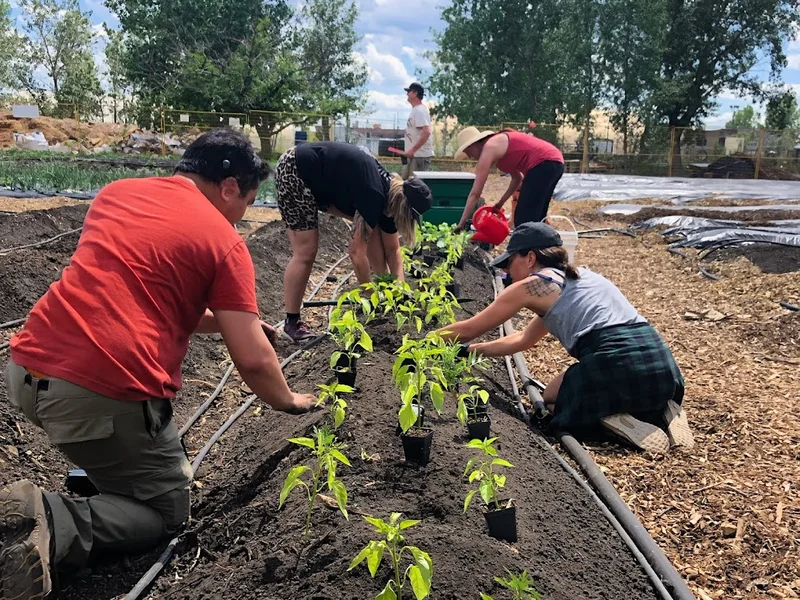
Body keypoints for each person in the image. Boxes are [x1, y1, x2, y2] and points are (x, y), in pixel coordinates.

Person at [1, 129, 317, 599]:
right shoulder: (223, 241)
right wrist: (289, 400)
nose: (242, 217)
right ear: (230, 187)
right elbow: (252, 361)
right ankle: (49, 516)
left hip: (27, 370)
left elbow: (149, 294)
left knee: (110, 450)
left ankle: (94, 485)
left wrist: (233, 323)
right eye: (247, 203)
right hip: (98, 392)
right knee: (164, 513)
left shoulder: (117, 194)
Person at [438, 222, 694, 453]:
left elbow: (469, 329)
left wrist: (427, 340)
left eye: (509, 263)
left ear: (530, 258)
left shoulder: (531, 286)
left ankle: (611, 419)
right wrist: (471, 351)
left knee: (552, 400)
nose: (507, 272)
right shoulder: (582, 277)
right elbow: (523, 339)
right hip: (663, 368)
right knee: (567, 390)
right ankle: (665, 411)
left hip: (617, 364)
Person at [276, 141, 433, 342]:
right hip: (297, 170)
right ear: (404, 209)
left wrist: (398, 291)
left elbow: (393, 250)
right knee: (306, 251)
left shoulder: (390, 199)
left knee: (372, 232)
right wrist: (371, 297)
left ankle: (383, 291)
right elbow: (356, 253)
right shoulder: (374, 194)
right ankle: (291, 322)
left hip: (328, 182)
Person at [452, 127, 564, 231]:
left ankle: (528, 245)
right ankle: (540, 244)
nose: (470, 157)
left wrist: (461, 224)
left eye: (468, 152)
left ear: (473, 145)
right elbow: (517, 178)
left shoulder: (489, 148)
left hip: (543, 164)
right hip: (556, 162)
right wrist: (500, 203)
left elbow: (475, 194)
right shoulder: (499, 148)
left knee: (524, 219)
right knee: (537, 215)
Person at [390, 82, 434, 179]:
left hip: (419, 156)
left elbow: (427, 132)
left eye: (409, 91)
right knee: (405, 182)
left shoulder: (420, 110)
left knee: (414, 185)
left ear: (415, 93)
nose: (407, 94)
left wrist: (413, 151)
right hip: (414, 156)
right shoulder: (415, 110)